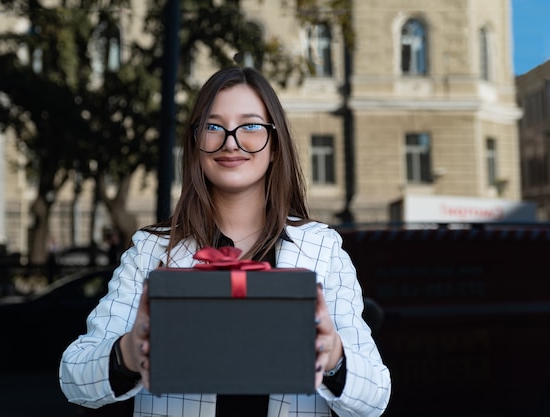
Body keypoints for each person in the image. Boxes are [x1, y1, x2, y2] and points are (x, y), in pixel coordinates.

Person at [59, 66, 391, 417]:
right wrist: (129, 353)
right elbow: (73, 376)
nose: (231, 141)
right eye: (213, 127)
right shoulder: (151, 250)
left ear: (275, 145)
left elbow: (375, 397)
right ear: (195, 144)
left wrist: (334, 357)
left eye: (250, 126)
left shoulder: (323, 249)